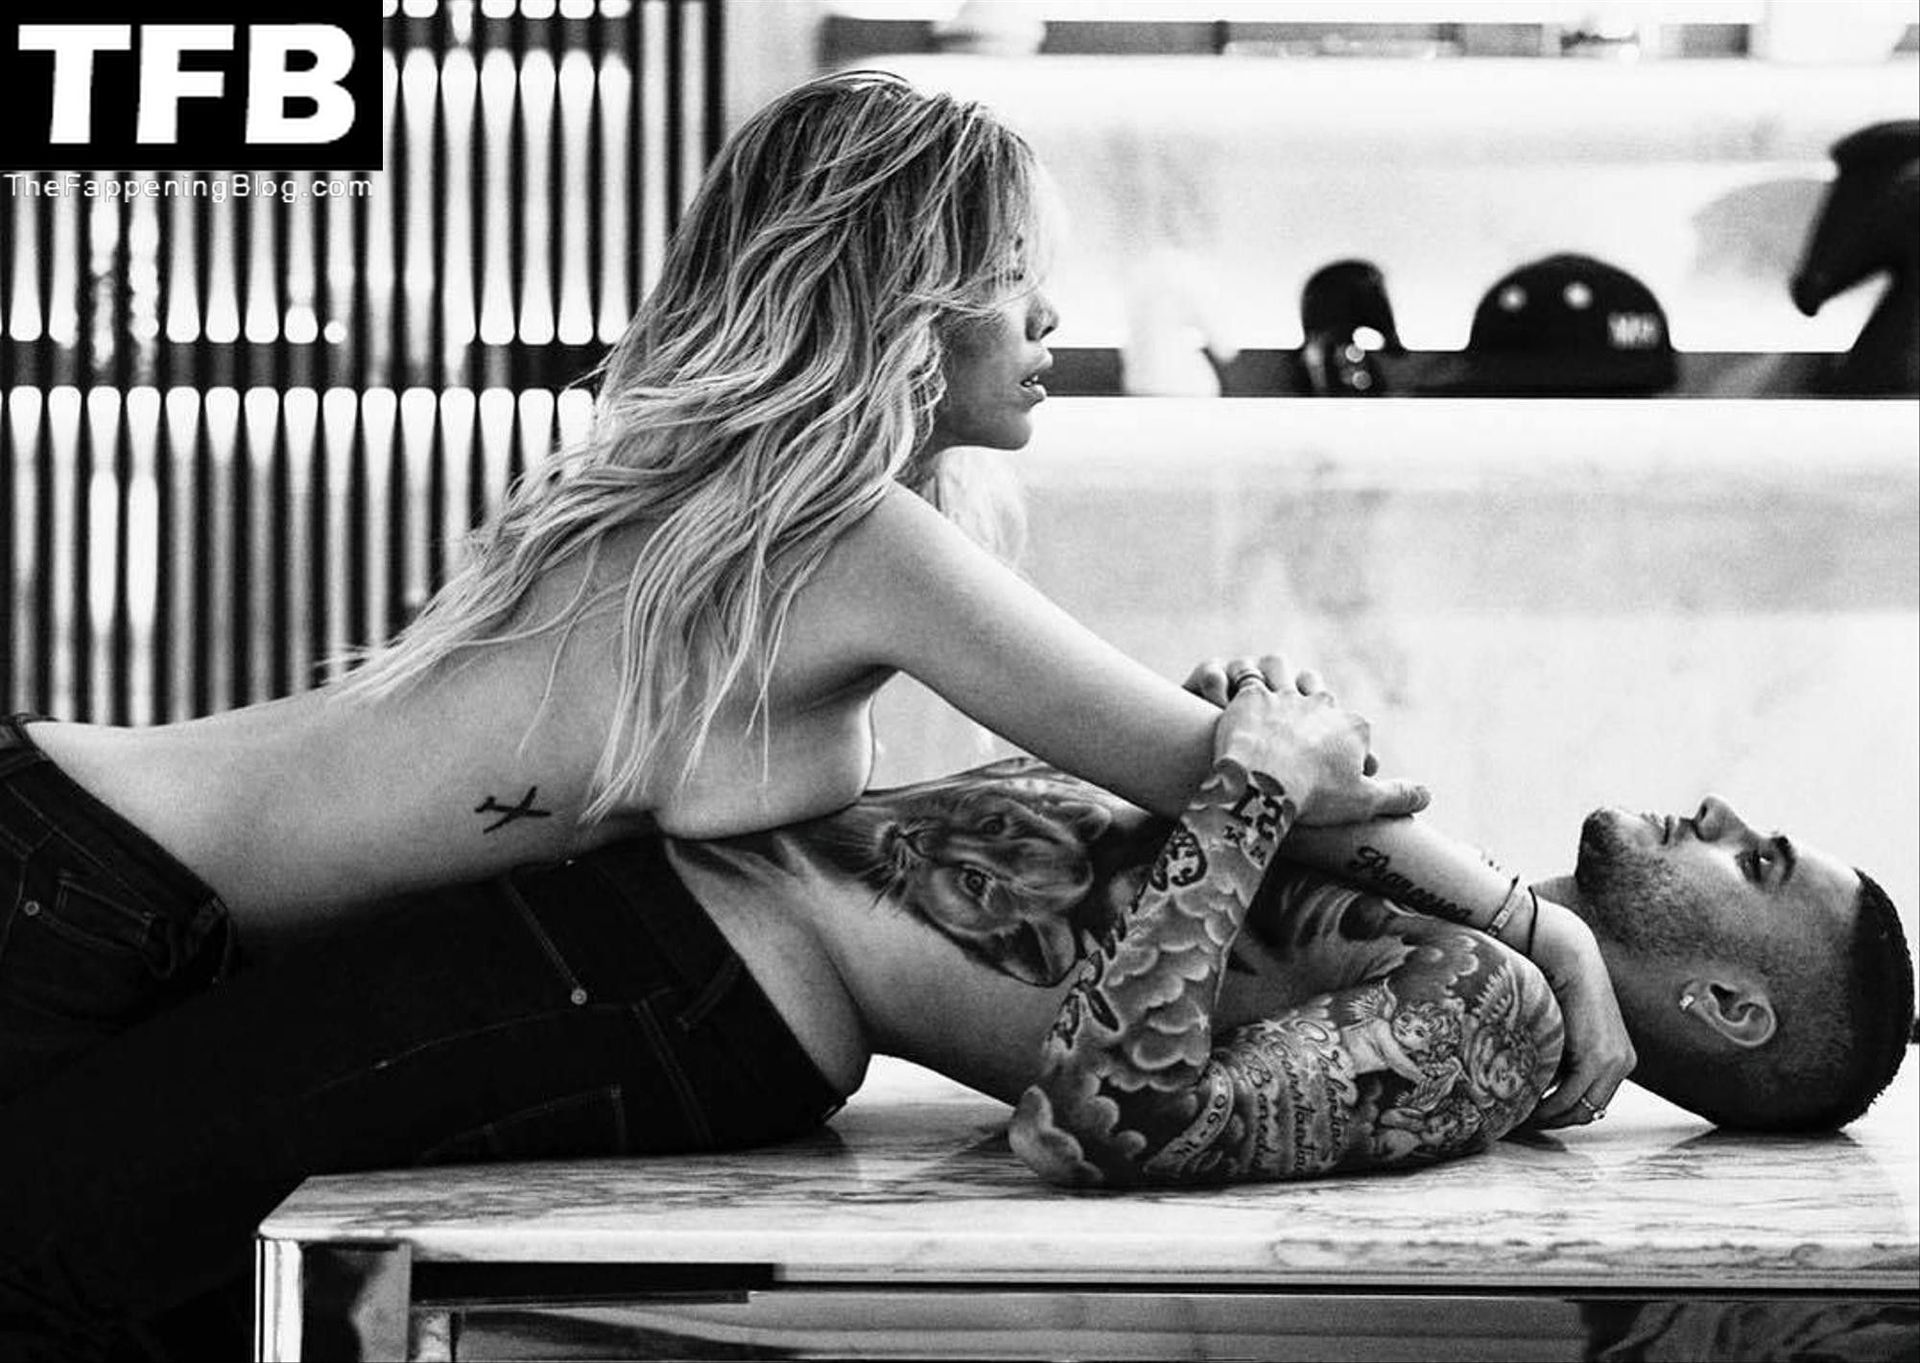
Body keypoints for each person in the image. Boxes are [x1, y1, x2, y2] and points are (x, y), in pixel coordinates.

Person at [0, 69, 1429, 1105]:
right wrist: (1524, 925)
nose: (1051, 311)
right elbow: (1230, 779)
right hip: (80, 879)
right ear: (898, 301)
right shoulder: (842, 531)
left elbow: (1158, 781)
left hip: (119, 891)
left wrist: (1228, 762)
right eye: (1006, 272)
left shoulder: (778, 523)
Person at [4, 667, 1907, 1359]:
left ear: (1729, 1007)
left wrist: (1249, 789)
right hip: (673, 922)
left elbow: (1108, 1123)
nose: (1724, 817)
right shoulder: (1480, 916)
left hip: (686, 972)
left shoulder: (1493, 1020)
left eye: (1763, 863)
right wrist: (1219, 753)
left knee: (62, 1227)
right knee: (106, 1211)